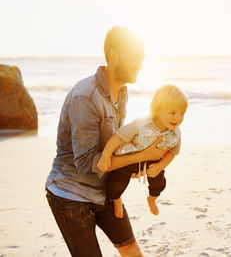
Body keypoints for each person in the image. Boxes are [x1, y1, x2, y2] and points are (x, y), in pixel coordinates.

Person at [45, 26, 167, 257]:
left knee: (132, 251)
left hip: (103, 191)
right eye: (134, 58)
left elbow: (115, 145)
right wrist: (142, 156)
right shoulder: (85, 97)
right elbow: (87, 164)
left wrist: (119, 191)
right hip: (70, 194)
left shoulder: (121, 92)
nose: (140, 65)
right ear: (113, 56)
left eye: (142, 59)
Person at [97, 84, 188, 218]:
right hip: (130, 157)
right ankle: (117, 200)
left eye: (182, 113)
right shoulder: (141, 124)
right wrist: (105, 156)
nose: (178, 118)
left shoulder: (176, 134)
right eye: (173, 113)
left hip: (154, 162)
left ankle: (151, 199)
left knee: (159, 184)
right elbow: (116, 137)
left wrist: (160, 166)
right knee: (115, 185)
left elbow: (172, 153)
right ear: (157, 110)